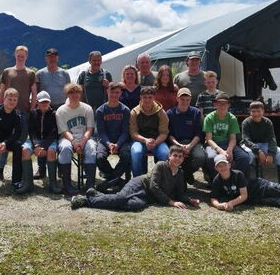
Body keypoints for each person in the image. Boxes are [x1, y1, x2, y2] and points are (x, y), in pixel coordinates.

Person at [71, 145, 200, 211]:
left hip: (147, 197)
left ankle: (97, 195)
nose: (177, 158)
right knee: (120, 198)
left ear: (183, 159)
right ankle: (85, 200)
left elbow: (179, 193)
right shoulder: (161, 165)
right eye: (175, 155)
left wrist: (190, 200)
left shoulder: (180, 173)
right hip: (140, 184)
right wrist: (171, 202)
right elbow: (153, 186)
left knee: (134, 205)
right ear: (169, 156)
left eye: (180, 156)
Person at [0, 46, 36, 182]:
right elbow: (2, 90)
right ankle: (0, 171)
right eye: (18, 55)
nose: (20, 57)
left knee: (19, 143)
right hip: (7, 112)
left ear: (26, 57)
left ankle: (19, 173)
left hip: (24, 112)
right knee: (5, 140)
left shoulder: (30, 73)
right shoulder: (7, 71)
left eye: (22, 55)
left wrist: (32, 110)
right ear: (15, 55)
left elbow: (34, 93)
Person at [210, 154, 280, 211]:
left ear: (229, 165)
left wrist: (231, 203)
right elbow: (213, 198)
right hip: (255, 199)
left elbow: (243, 195)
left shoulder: (238, 174)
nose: (222, 168)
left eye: (224, 165)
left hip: (261, 187)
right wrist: (218, 205)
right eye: (219, 166)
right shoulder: (217, 180)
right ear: (216, 168)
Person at [17, 91, 61, 194]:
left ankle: (53, 184)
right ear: (37, 102)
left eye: (46, 102)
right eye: (42, 102)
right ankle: (28, 184)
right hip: (35, 140)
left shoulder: (54, 114)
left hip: (49, 140)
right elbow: (31, 131)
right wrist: (36, 145)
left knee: (51, 151)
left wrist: (44, 146)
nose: (44, 104)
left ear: (49, 102)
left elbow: (54, 132)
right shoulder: (32, 113)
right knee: (25, 150)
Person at [35, 48, 71, 177]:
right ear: (46, 58)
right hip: (45, 109)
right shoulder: (39, 73)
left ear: (58, 58)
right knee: (43, 137)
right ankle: (41, 168)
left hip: (61, 108)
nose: (52, 58)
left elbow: (69, 91)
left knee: (61, 137)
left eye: (54, 56)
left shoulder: (64, 73)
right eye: (49, 56)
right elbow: (36, 92)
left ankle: (61, 167)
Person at [56, 83, 97, 194]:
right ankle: (67, 185)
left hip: (84, 137)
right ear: (67, 95)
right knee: (65, 148)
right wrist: (74, 142)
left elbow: (90, 128)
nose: (74, 95)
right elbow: (64, 131)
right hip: (67, 138)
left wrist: (82, 142)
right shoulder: (61, 111)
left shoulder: (87, 108)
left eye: (77, 92)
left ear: (80, 94)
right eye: (71, 93)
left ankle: (90, 185)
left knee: (91, 148)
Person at [203, 92, 250, 180]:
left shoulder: (232, 118)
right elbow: (209, 139)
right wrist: (221, 151)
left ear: (229, 105)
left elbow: (233, 138)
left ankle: (236, 179)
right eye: (220, 104)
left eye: (225, 104)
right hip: (213, 144)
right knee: (210, 158)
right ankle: (216, 181)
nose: (222, 106)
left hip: (228, 143)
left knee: (244, 158)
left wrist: (229, 150)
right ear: (215, 104)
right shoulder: (209, 118)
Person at [241, 101, 280, 185]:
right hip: (250, 145)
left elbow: (272, 139)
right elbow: (246, 139)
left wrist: (271, 154)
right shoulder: (246, 122)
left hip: (264, 144)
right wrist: (258, 151)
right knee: (247, 156)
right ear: (250, 112)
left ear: (263, 111)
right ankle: (244, 185)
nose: (256, 114)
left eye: (258, 111)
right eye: (253, 111)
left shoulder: (267, 122)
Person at [96, 82, 131, 192]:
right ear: (107, 91)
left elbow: (125, 132)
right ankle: (118, 181)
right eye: (112, 92)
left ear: (120, 93)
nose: (114, 95)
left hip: (121, 140)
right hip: (105, 141)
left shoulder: (125, 110)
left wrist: (118, 144)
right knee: (99, 157)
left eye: (117, 92)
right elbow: (101, 132)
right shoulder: (100, 111)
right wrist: (109, 144)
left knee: (126, 156)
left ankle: (108, 182)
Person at [167, 88, 205, 184]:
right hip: (176, 142)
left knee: (200, 157)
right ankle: (176, 178)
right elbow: (169, 134)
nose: (185, 102)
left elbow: (198, 133)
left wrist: (190, 146)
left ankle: (186, 173)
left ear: (190, 99)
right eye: (182, 99)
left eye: (187, 100)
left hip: (193, 142)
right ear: (177, 99)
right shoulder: (170, 113)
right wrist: (179, 145)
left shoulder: (196, 112)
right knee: (172, 157)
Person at [130, 86, 169, 176]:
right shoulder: (134, 112)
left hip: (157, 141)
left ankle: (159, 178)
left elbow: (164, 132)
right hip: (140, 141)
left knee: (165, 153)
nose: (147, 100)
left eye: (150, 97)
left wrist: (154, 143)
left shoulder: (161, 112)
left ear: (154, 98)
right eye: (145, 97)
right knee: (136, 153)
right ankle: (137, 179)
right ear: (140, 97)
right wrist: (145, 140)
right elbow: (133, 132)